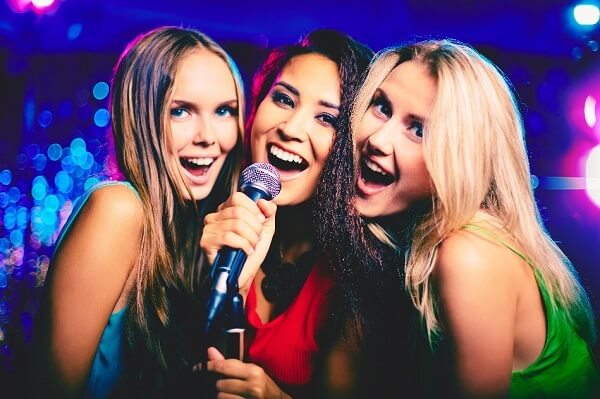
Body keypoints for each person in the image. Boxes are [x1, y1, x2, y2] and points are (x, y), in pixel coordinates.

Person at [336, 39, 599, 398]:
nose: (378, 140)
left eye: (419, 130)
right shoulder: (427, 245)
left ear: (463, 157)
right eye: (381, 107)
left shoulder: (468, 253)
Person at [30, 26, 250, 398]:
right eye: (181, 111)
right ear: (141, 118)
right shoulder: (118, 208)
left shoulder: (193, 229)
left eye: (224, 111)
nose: (208, 136)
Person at [199, 29, 373, 398]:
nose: (291, 129)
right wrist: (226, 282)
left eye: (327, 119)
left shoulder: (358, 277)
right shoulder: (204, 224)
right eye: (283, 99)